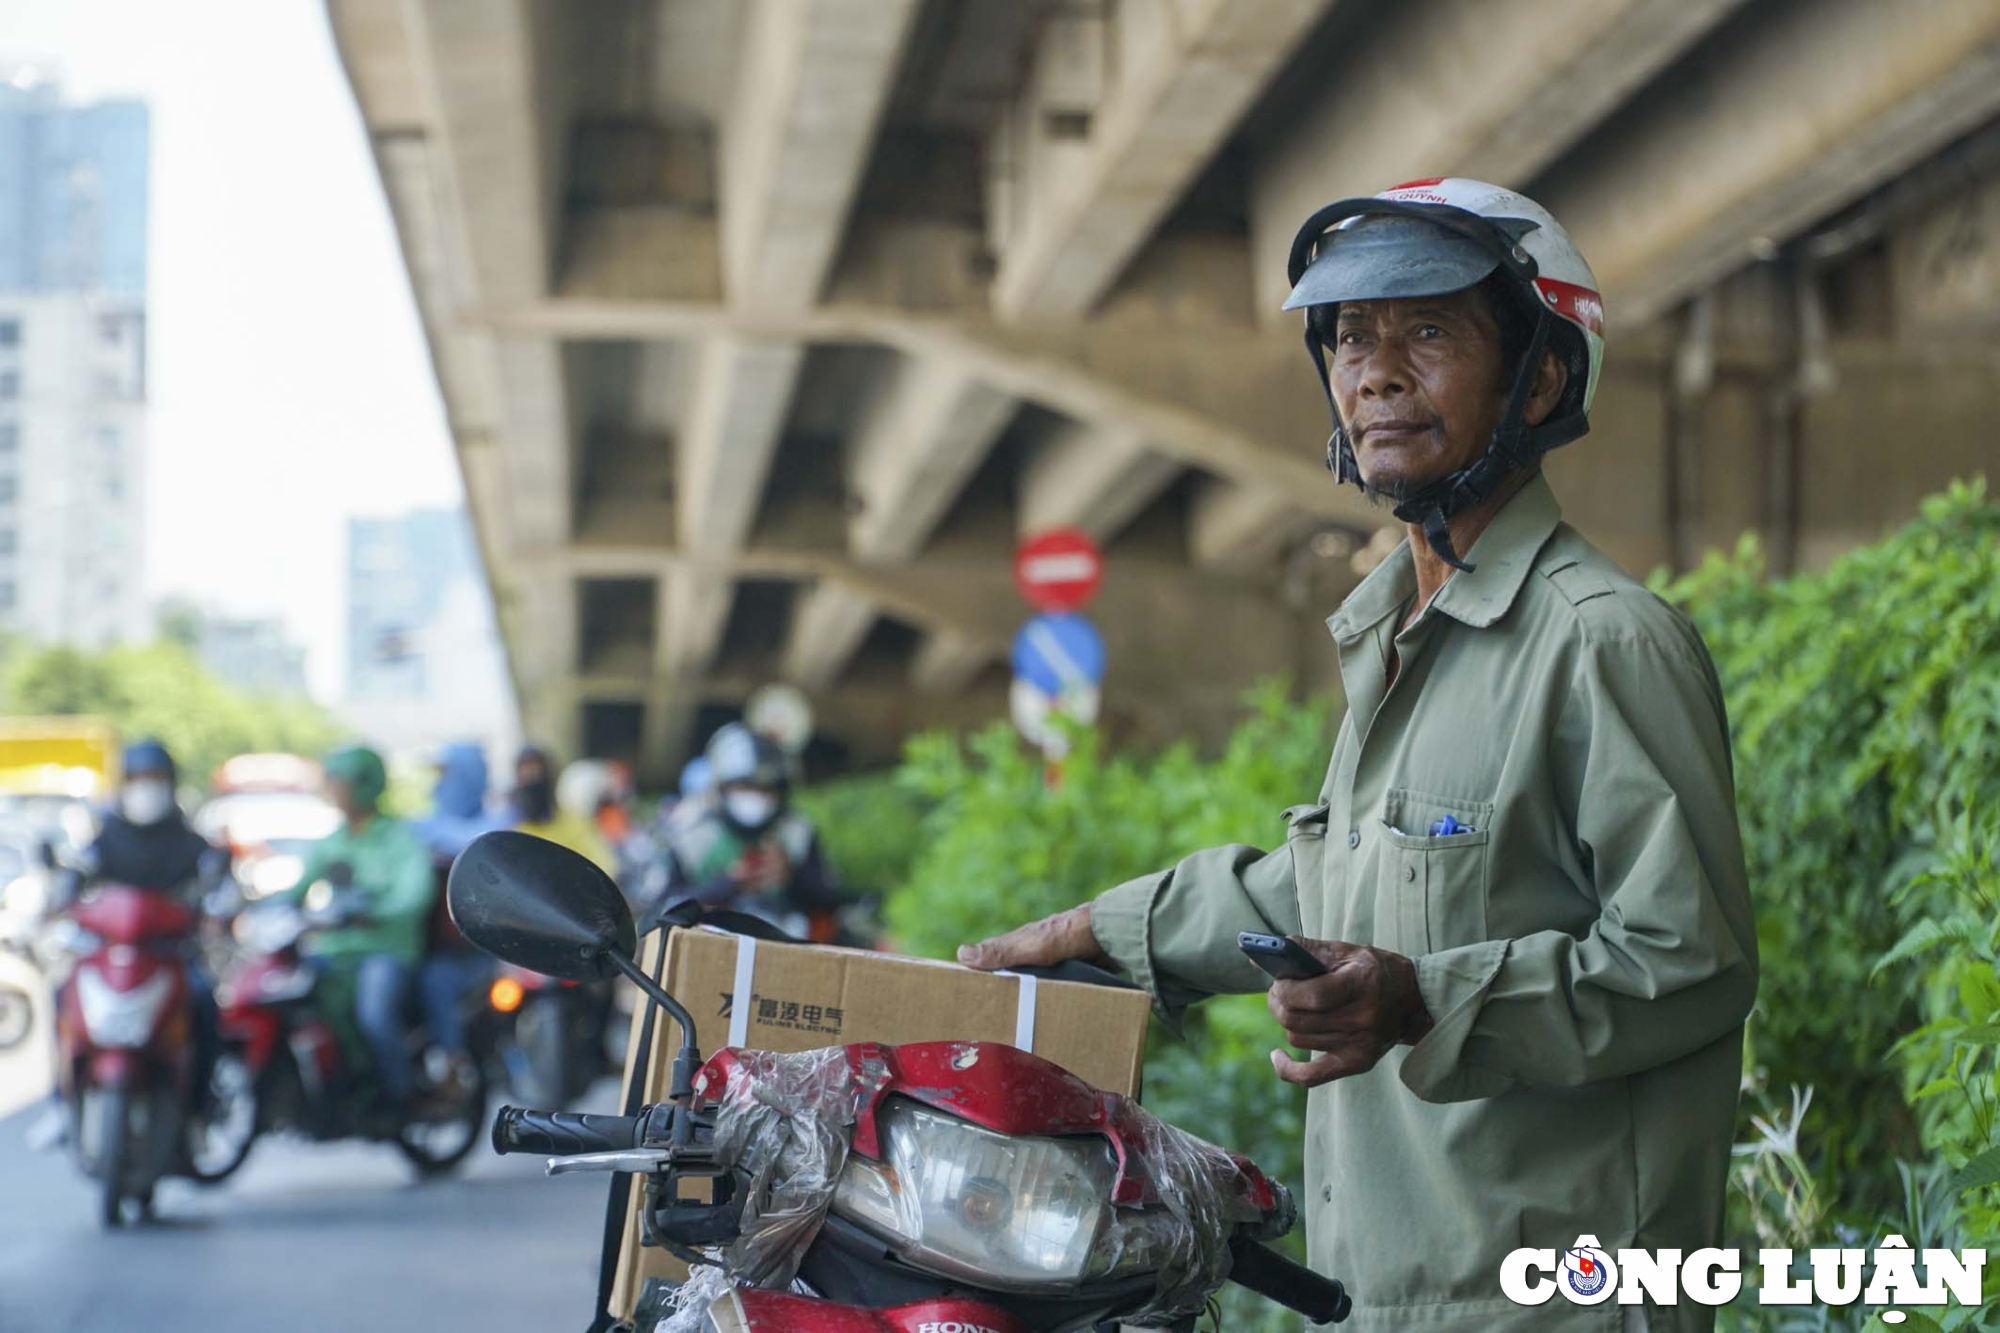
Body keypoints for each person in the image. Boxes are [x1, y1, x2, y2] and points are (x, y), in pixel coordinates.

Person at [959, 178, 1757, 1333]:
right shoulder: (1394, 636)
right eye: (1347, 338)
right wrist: (1095, 931)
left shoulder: (1599, 639)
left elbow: (1690, 962)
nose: (1373, 371)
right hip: (1384, 1296)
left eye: (1426, 331)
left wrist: (1421, 999)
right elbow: (1333, 882)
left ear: (1536, 376)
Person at [288, 744, 436, 1116]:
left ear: (366, 785)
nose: (335, 791)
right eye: (332, 782)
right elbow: (296, 889)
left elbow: (416, 893)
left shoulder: (398, 839)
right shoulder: (333, 840)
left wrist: (375, 913)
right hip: (335, 950)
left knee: (374, 1015)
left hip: (385, 949)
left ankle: (401, 1096)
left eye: (342, 782)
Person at [655, 724, 838, 924]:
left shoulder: (796, 833)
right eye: (744, 786)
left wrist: (791, 876)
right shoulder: (692, 834)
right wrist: (728, 883)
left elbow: (828, 901)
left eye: (765, 788)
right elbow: (661, 907)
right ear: (721, 786)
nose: (755, 796)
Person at [410, 742, 506, 1058]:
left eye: (448, 774)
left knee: (436, 983)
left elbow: (475, 845)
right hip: (424, 944)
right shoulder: (422, 823)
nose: (440, 783)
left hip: (477, 951)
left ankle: (452, 1063)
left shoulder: (497, 824)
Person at [510, 745, 617, 877]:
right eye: (525, 774)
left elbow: (605, 866)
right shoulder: (511, 829)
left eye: (536, 772)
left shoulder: (575, 824)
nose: (531, 779)